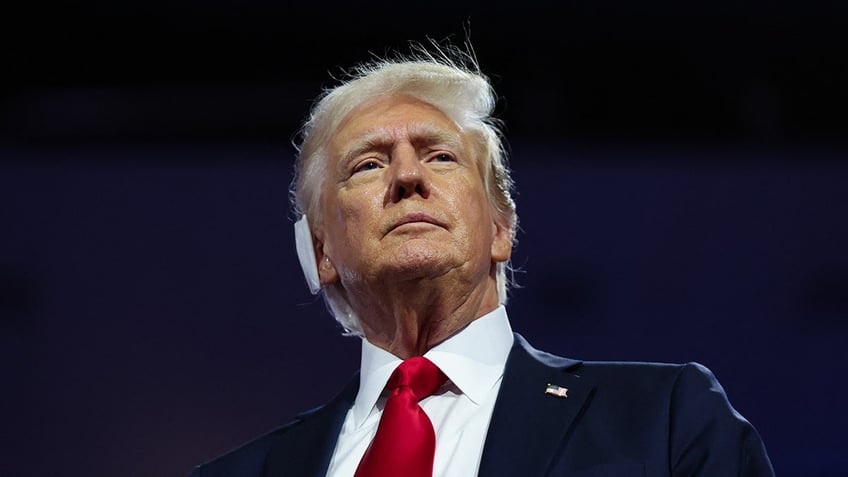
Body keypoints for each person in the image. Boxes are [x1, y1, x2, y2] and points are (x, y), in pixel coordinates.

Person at [189, 43, 775, 476]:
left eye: (440, 156)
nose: (407, 176)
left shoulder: (664, 421)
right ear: (322, 253)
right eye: (367, 165)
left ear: (501, 226)